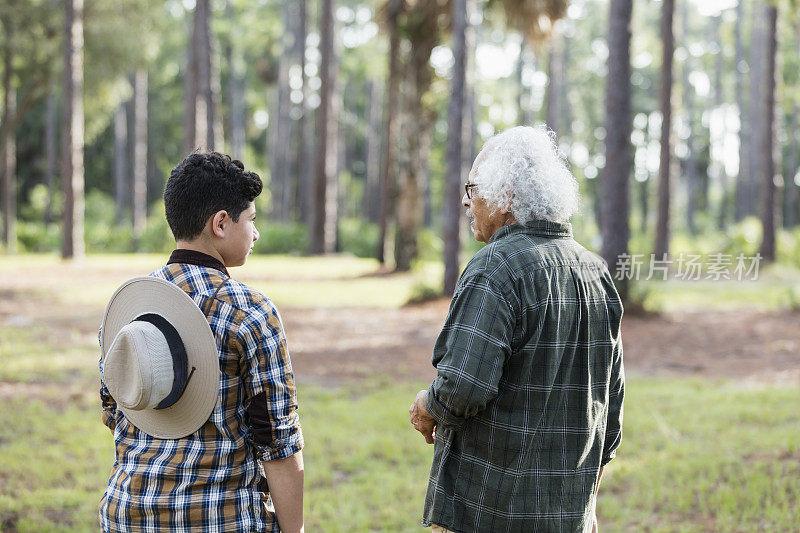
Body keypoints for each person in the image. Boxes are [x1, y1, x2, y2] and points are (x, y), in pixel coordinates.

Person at [409, 126, 624, 532]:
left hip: (488, 515)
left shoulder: (497, 266)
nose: (465, 201)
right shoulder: (596, 272)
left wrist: (427, 406)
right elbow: (609, 413)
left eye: (472, 188)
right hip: (570, 516)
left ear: (505, 195)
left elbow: (462, 388)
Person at [98, 152, 304, 532]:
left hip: (125, 514)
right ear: (221, 223)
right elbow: (279, 443)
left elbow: (116, 416)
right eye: (251, 220)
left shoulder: (127, 308)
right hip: (221, 520)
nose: (255, 233)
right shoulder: (252, 312)